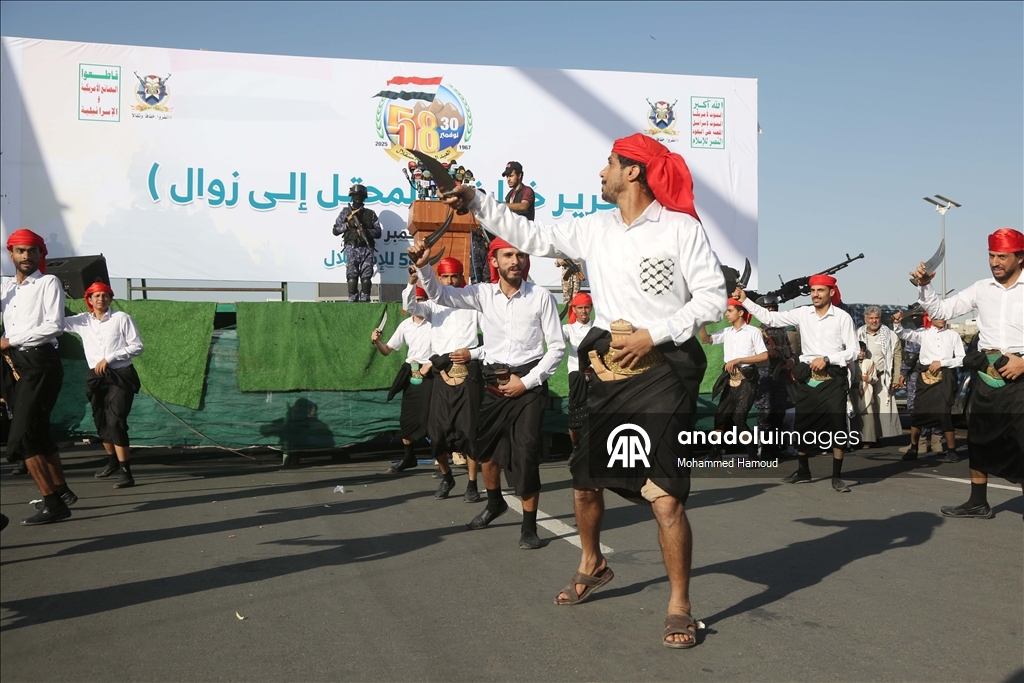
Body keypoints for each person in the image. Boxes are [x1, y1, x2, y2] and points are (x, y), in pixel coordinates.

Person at [441, 133, 726, 649]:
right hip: (606, 370)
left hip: (663, 375)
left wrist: (653, 334)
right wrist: (478, 202)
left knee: (664, 498)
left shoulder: (681, 229)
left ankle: (679, 603)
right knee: (584, 483)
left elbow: (712, 299)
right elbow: (533, 235)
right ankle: (592, 563)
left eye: (609, 164)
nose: (601, 173)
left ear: (634, 171)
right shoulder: (594, 228)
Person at [409, 236, 565, 550]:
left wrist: (528, 382)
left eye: (520, 255)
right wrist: (424, 266)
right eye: (507, 255)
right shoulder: (482, 294)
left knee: (526, 454)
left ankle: (529, 526)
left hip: (528, 385)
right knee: (484, 450)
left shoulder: (541, 297)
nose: (515, 261)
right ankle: (494, 503)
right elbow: (440, 294)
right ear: (494, 261)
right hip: (492, 382)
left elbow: (557, 348)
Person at [911, 227, 1024, 518]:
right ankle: (977, 502)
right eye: (991, 256)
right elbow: (941, 311)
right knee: (979, 437)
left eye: (1002, 256)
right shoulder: (981, 288)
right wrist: (925, 286)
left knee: (1020, 441)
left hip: (1020, 375)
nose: (995, 262)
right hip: (987, 374)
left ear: (1020, 258)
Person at [736, 274, 860, 492]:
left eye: (820, 291)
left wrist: (828, 359)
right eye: (813, 291)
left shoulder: (842, 318)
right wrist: (745, 300)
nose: (815, 295)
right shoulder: (803, 313)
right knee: (802, 425)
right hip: (808, 376)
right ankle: (803, 471)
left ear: (831, 292)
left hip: (833, 378)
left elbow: (853, 351)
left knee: (837, 427)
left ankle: (837, 476)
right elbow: (771, 319)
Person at [1, 229, 77, 525]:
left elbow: (54, 325)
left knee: (22, 436)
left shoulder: (48, 282)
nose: (26, 256)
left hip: (40, 361)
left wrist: (10, 339)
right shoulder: (6, 287)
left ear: (41, 254)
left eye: (32, 251)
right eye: (20, 251)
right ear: (11, 254)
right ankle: (61, 490)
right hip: (13, 364)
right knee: (38, 431)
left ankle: (53, 503)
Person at [402, 258, 485, 502]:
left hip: (467, 370)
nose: (450, 282)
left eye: (454, 277)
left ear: (462, 278)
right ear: (439, 278)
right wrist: (412, 281)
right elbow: (409, 306)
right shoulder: (432, 306)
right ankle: (447, 476)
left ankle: (472, 483)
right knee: (437, 433)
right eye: (446, 277)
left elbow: (491, 340)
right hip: (441, 372)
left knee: (469, 431)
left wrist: (473, 353)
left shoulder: (474, 305)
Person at [64, 282, 145, 488]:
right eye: (96, 296)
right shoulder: (81, 321)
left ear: (110, 298)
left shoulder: (121, 318)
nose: (101, 299)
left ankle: (126, 472)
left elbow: (137, 346)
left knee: (116, 420)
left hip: (121, 374)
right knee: (100, 420)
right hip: (96, 377)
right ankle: (112, 462)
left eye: (105, 295)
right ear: (89, 300)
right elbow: (55, 323)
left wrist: (109, 358)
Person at [372, 288, 433, 473]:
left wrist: (429, 365)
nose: (418, 303)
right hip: (412, 372)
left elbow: (445, 348)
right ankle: (409, 457)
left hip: (431, 372)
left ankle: (442, 456)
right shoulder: (405, 325)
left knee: (430, 416)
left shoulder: (435, 323)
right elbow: (387, 350)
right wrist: (376, 342)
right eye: (415, 300)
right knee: (407, 417)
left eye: (422, 299)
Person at [698, 299, 768, 459]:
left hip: (747, 380)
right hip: (730, 379)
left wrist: (738, 360)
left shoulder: (753, 331)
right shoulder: (727, 332)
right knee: (721, 416)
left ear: (741, 312)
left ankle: (752, 455)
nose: (726, 314)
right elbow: (706, 340)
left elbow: (764, 356)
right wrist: (701, 323)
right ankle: (715, 451)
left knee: (739, 417)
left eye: (730, 311)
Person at [892, 309, 965, 463]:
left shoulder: (953, 335)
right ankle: (914, 447)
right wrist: (897, 323)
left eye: (944, 317)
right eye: (939, 317)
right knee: (919, 412)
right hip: (925, 376)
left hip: (945, 376)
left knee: (944, 413)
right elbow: (903, 334)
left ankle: (951, 450)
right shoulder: (923, 334)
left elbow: (961, 359)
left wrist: (942, 363)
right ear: (930, 318)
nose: (942, 320)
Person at [752, 295, 794, 458]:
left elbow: (790, 350)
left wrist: (790, 360)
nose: (771, 311)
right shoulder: (756, 331)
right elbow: (749, 352)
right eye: (768, 309)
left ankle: (776, 446)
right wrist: (766, 352)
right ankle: (764, 447)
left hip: (780, 374)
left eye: (773, 309)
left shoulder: (782, 330)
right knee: (766, 412)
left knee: (779, 412)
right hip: (765, 373)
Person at [856, 306, 903, 447]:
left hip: (883, 376)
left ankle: (877, 436)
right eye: (870, 318)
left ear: (880, 319)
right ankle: (867, 438)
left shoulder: (890, 335)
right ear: (865, 319)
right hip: (863, 378)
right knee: (866, 408)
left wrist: (896, 378)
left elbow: (897, 358)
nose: (873, 320)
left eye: (876, 318)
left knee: (882, 409)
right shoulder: (857, 334)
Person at [332, 184, 382, 302]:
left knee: (366, 280)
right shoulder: (346, 212)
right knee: (352, 279)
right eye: (356, 196)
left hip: (366, 248)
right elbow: (335, 230)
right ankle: (353, 301)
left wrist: (366, 232)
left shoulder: (371, 214)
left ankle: (365, 301)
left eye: (360, 196)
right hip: (352, 248)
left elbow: (378, 232)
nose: (358, 199)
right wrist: (348, 225)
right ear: (352, 197)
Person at [562, 292, 594, 445]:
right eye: (580, 308)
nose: (583, 311)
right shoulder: (568, 329)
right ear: (574, 309)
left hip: (596, 374)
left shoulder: (598, 328)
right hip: (576, 375)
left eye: (586, 307)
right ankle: (575, 447)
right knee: (575, 416)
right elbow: (556, 338)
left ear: (591, 308)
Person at [851, 341, 876, 436]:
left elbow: (875, 378)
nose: (861, 353)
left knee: (867, 415)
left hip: (866, 391)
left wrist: (868, 378)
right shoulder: (851, 362)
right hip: (853, 390)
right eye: (859, 351)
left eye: (863, 351)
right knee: (854, 415)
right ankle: (855, 439)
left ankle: (868, 440)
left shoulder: (870, 362)